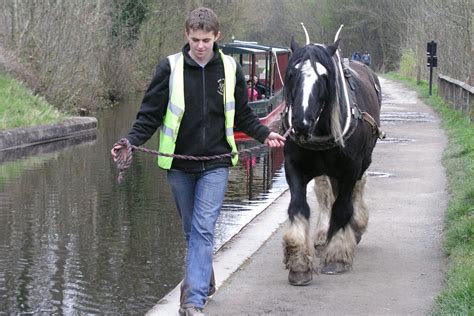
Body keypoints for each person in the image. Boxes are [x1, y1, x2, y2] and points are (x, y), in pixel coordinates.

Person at [110, 7, 285, 316]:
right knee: (193, 232)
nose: (200, 46)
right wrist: (130, 142)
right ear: (186, 35)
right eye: (195, 40)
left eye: (206, 39)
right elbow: (149, 116)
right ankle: (205, 279)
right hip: (178, 165)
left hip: (216, 164)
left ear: (216, 36)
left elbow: (243, 114)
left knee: (204, 229)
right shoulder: (170, 68)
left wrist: (263, 135)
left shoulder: (230, 68)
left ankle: (192, 301)